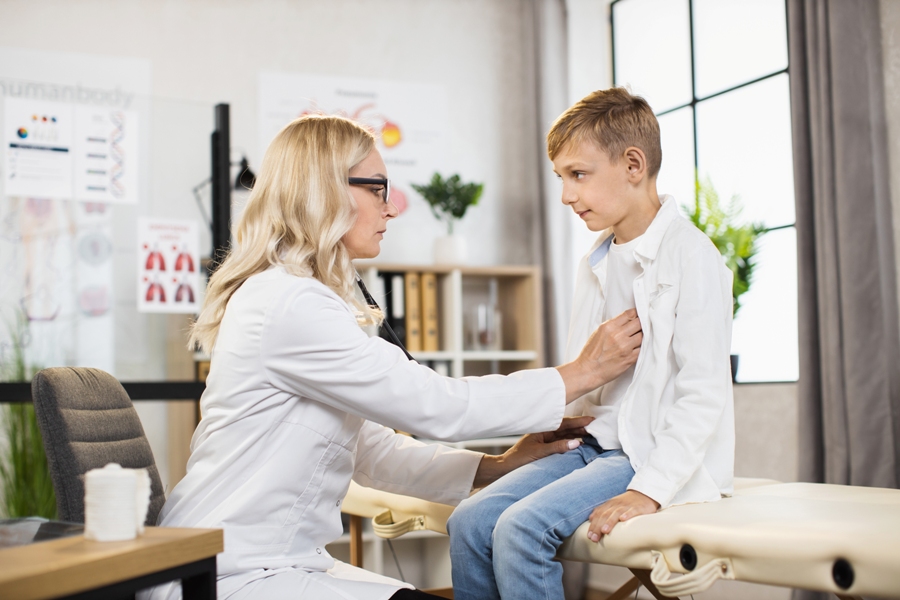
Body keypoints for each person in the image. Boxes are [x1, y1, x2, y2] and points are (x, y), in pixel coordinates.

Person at [145, 114, 643, 600]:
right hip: (227, 572)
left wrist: (497, 465)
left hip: (271, 561)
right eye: (377, 188)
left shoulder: (303, 298)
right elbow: (436, 404)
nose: (392, 208)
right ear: (324, 191)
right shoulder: (288, 304)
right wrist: (583, 372)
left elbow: (369, 449)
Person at [447, 88, 735, 600]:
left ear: (632, 164)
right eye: (561, 178)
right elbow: (589, 373)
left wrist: (648, 490)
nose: (566, 195)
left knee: (520, 530)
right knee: (469, 522)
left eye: (577, 175)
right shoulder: (596, 261)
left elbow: (703, 393)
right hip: (591, 446)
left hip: (641, 455)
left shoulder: (692, 257)